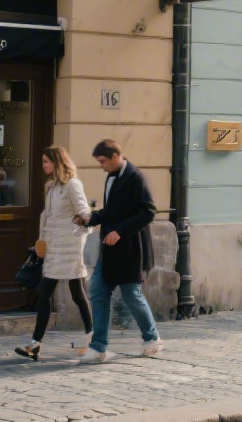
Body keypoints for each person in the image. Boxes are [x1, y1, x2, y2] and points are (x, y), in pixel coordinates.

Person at [76, 139, 162, 363]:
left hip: (130, 249)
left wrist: (120, 231)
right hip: (110, 249)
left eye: (103, 161)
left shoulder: (135, 177)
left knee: (131, 295)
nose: (101, 166)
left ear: (115, 156)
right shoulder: (112, 176)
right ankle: (98, 348)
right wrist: (89, 219)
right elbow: (111, 211)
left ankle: (152, 338)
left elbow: (149, 212)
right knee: (98, 292)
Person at [15, 145, 92, 361]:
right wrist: (41, 243)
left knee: (75, 294)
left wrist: (81, 225)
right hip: (52, 247)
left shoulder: (72, 185)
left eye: (46, 162)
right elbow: (47, 216)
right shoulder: (50, 186)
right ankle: (36, 344)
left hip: (69, 247)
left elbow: (84, 212)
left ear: (57, 162)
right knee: (48, 294)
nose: (43, 166)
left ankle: (91, 338)